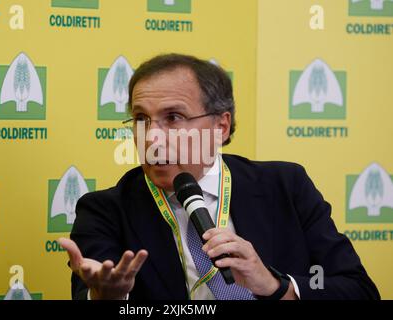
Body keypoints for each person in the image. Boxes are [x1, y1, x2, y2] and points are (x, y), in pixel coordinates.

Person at [59, 53, 380, 300]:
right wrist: (109, 297)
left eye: (173, 117)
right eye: (141, 118)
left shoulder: (286, 186)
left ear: (220, 127)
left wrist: (275, 287)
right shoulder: (104, 210)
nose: (151, 137)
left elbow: (356, 288)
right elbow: (95, 288)